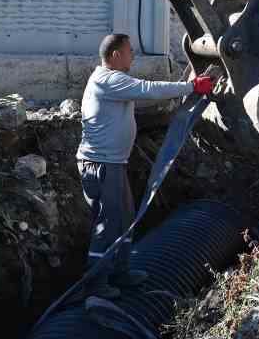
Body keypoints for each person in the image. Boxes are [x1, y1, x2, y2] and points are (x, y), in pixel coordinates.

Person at [78, 33, 215, 297]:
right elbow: (148, 89)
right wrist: (191, 87)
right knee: (108, 223)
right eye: (130, 51)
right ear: (115, 55)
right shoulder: (108, 80)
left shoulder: (110, 80)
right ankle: (95, 283)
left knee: (125, 218)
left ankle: (120, 271)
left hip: (112, 164)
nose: (133, 56)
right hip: (101, 165)